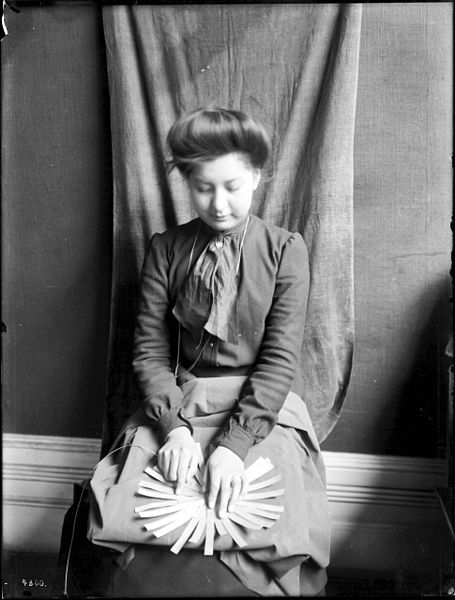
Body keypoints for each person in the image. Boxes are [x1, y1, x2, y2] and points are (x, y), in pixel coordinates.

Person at [63, 107, 330, 597]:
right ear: (187, 182)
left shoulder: (285, 250)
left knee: (261, 504)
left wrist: (234, 445)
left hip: (258, 406)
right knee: (139, 502)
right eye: (204, 187)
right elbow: (149, 351)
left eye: (232, 185)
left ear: (256, 176)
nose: (220, 203)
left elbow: (277, 361)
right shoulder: (166, 248)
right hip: (179, 403)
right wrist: (174, 430)